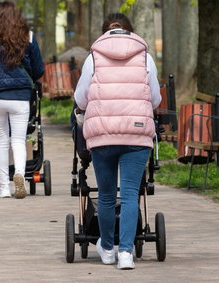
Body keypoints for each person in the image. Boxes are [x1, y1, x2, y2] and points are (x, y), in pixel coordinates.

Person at [74, 13, 161, 269]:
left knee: (107, 196)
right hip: (137, 134)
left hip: (103, 135)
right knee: (131, 193)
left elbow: (81, 99)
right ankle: (126, 253)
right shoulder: (146, 57)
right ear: (130, 30)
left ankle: (108, 249)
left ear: (104, 32)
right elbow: (155, 99)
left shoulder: (93, 57)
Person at [0, 1, 44, 199]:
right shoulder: (28, 37)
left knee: (2, 140)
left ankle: (4, 188)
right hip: (21, 97)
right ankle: (20, 176)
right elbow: (39, 70)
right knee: (19, 140)